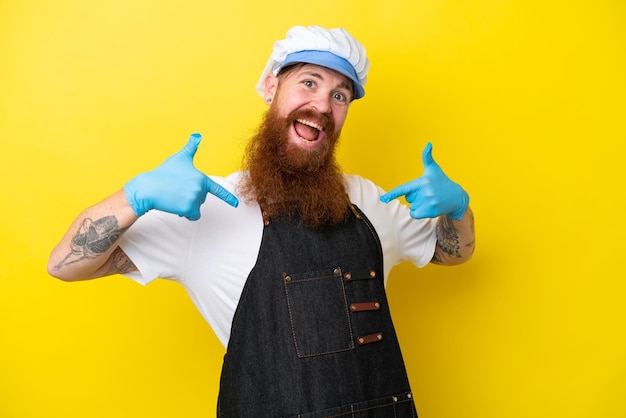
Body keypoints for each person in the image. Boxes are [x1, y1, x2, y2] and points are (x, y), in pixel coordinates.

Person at [48, 25, 475, 417]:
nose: (322, 106)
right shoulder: (210, 207)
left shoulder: (368, 199)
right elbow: (66, 264)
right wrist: (134, 198)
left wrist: (458, 210)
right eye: (308, 82)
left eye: (340, 95)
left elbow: (448, 253)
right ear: (271, 87)